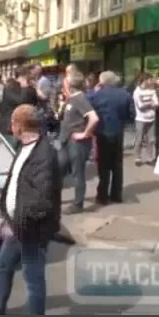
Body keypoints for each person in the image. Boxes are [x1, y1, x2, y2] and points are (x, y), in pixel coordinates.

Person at [0, 104, 61, 315]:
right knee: (3, 266)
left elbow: (41, 200)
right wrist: (4, 213)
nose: (11, 126)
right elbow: (15, 184)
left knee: (32, 278)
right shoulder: (23, 148)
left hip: (32, 229)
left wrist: (17, 224)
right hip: (15, 223)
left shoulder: (44, 154)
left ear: (20, 126)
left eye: (13, 122)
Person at [88, 71, 134, 205]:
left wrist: (94, 90)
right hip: (118, 131)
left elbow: (86, 102)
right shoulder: (125, 94)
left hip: (102, 132)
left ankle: (102, 195)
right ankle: (116, 194)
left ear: (101, 81)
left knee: (103, 165)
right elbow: (131, 115)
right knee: (117, 165)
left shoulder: (96, 95)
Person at [58, 71, 100, 215]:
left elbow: (94, 118)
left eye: (65, 81)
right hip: (65, 140)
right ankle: (54, 199)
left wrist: (84, 133)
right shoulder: (71, 99)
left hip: (77, 142)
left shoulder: (80, 98)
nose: (63, 83)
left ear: (70, 84)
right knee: (59, 168)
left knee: (77, 173)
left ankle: (78, 204)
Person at [0, 66, 38, 148]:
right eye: (28, 76)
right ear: (21, 76)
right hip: (10, 126)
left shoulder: (29, 88)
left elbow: (34, 102)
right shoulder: (10, 87)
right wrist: (25, 88)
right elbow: (20, 102)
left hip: (26, 126)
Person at [133, 73, 159, 166]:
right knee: (139, 139)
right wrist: (150, 103)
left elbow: (156, 103)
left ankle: (149, 157)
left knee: (151, 139)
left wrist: (148, 103)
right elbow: (140, 106)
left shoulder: (152, 91)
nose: (152, 81)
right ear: (145, 80)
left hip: (151, 118)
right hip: (140, 119)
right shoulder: (137, 92)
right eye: (150, 80)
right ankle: (137, 157)